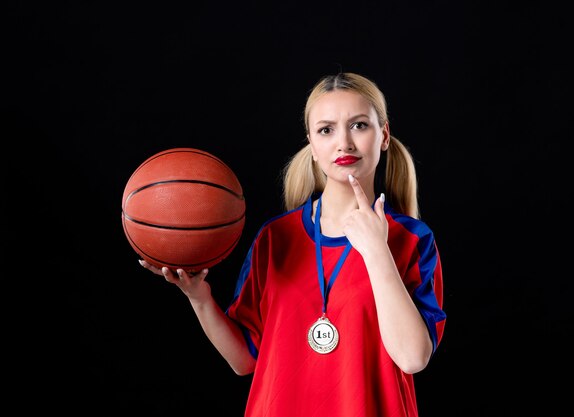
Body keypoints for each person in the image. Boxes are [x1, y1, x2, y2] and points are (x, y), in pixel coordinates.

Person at [139, 72, 446, 417]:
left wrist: (377, 251)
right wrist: (199, 298)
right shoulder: (275, 238)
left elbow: (413, 357)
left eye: (359, 125)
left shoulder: (412, 240)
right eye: (326, 130)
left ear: (384, 135)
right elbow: (244, 360)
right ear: (312, 147)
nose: (343, 142)